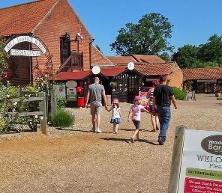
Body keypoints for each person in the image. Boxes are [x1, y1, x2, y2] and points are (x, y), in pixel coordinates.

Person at [153, 75, 177, 145]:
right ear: (165, 80)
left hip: (159, 107)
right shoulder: (169, 88)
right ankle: (161, 137)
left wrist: (154, 107)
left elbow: (154, 99)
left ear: (160, 80)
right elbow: (172, 98)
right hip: (166, 107)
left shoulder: (156, 88)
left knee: (162, 122)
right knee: (165, 122)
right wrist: (175, 106)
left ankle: (162, 135)